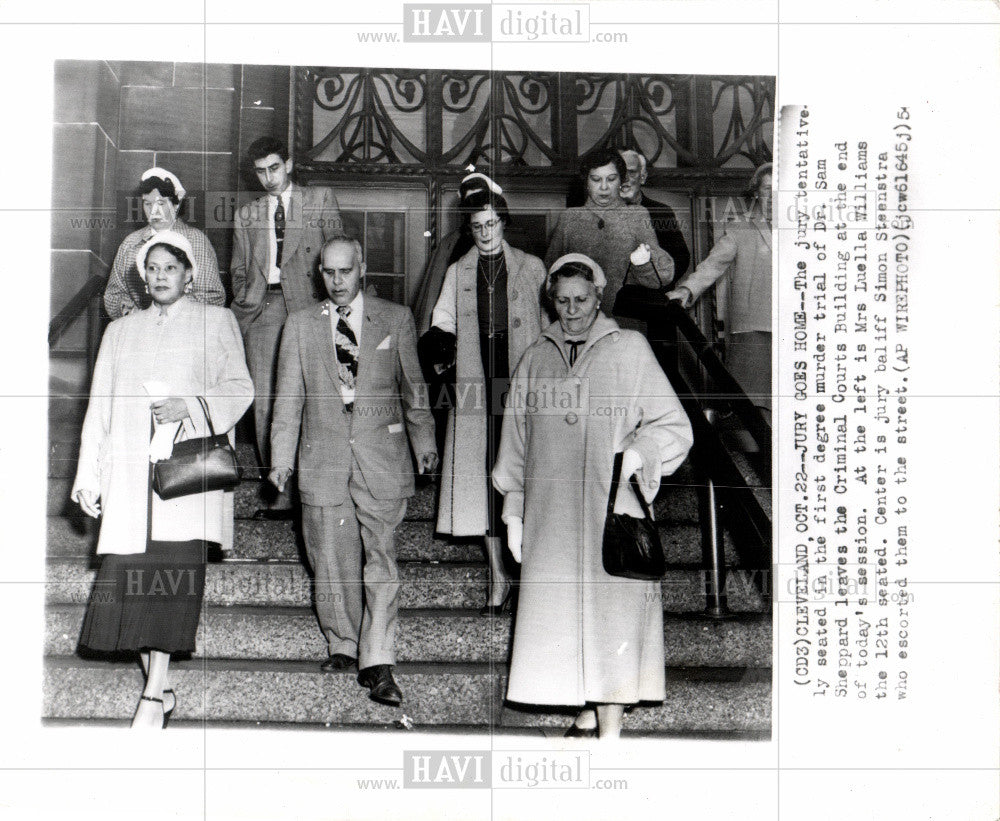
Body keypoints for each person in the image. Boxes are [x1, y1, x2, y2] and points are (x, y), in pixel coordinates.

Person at [492, 253, 693, 740]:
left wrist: (639, 455)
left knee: (611, 620)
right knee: (564, 620)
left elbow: (673, 425)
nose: (572, 310)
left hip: (611, 512)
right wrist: (513, 514)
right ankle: (586, 710)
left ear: (599, 297)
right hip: (552, 517)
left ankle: (609, 735)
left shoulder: (630, 349)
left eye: (582, 299)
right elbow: (516, 444)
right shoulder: (535, 358)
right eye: (561, 301)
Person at [72, 230, 253, 729]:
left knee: (172, 589)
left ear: (189, 274)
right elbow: (99, 409)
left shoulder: (216, 323)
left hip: (185, 481)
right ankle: (163, 689)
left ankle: (152, 697)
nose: (159, 278)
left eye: (169, 269)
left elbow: (241, 388)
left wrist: (190, 406)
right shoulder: (120, 331)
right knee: (133, 587)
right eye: (151, 269)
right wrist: (90, 476)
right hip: (131, 481)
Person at [269, 236, 438, 706]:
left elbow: (414, 388)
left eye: (346, 271)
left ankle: (378, 659)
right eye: (328, 272)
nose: (338, 281)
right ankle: (343, 642)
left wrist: (424, 443)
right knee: (331, 557)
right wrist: (280, 460)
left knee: (380, 558)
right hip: (323, 457)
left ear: (361, 267)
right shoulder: (300, 325)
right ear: (318, 273)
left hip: (381, 456)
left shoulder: (396, 317)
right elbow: (287, 401)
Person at [425, 178, 548, 614]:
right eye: (478, 226)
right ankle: (498, 577)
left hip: (521, 384)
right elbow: (442, 320)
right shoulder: (458, 271)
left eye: (493, 223)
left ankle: (531, 574)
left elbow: (554, 324)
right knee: (486, 480)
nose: (486, 232)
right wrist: (439, 342)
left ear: (504, 223)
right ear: (470, 228)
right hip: (480, 387)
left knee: (527, 475)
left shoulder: (533, 268)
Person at [229, 136, 342, 518]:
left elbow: (338, 253)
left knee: (310, 400)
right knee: (265, 403)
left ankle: (313, 490)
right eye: (260, 171)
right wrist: (248, 302)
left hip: (310, 307)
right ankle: (279, 495)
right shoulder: (247, 214)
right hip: (265, 310)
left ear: (289, 164)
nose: (267, 178)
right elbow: (239, 270)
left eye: (274, 168)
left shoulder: (320, 199)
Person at [667, 163, 773, 420]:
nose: (774, 197)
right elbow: (714, 263)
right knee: (754, 402)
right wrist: (687, 290)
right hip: (752, 328)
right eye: (768, 189)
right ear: (756, 193)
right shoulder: (739, 228)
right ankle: (758, 457)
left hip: (795, 329)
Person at [545, 147, 674, 322]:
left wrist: (642, 264)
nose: (604, 187)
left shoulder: (637, 215)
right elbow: (549, 280)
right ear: (586, 182)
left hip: (626, 325)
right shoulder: (569, 219)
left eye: (611, 179)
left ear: (621, 180)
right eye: (596, 179)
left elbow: (660, 280)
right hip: (577, 322)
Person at [103, 167, 225, 318]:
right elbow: (113, 294)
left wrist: (169, 314)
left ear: (176, 205)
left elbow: (214, 296)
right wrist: (133, 315)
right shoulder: (130, 243)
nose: (154, 211)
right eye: (148, 204)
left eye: (161, 203)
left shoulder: (195, 241)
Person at [618, 149, 691, 277]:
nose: (625, 179)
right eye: (620, 173)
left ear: (643, 177)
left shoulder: (661, 212)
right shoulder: (600, 212)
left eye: (632, 172)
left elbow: (681, 259)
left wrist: (659, 284)